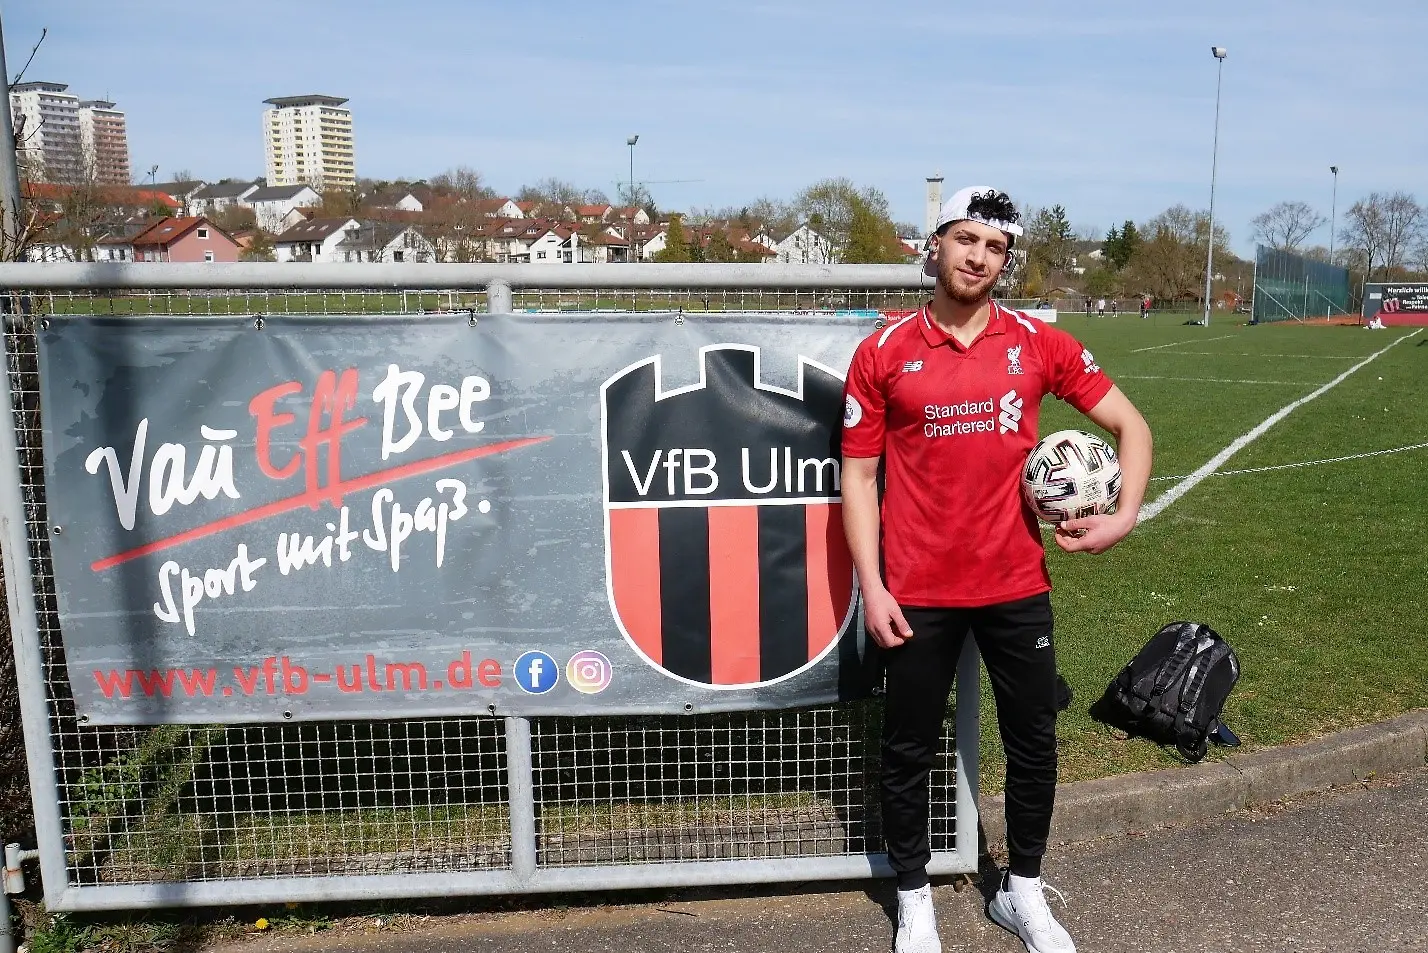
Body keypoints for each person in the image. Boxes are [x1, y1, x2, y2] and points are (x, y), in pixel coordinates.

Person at [841, 185, 1152, 953]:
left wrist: (1123, 515)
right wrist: (871, 585)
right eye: (966, 239)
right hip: (915, 588)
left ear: (1005, 261)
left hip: (1016, 580)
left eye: (995, 246)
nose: (979, 256)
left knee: (1034, 739)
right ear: (937, 245)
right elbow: (856, 477)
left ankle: (1020, 893)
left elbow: (1129, 424)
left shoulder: (1037, 342)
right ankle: (914, 898)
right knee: (909, 744)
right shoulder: (882, 351)